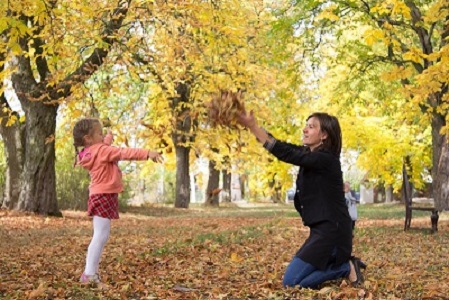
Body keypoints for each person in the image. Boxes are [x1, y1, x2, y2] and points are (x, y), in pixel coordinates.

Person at [237, 110, 366, 289]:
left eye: (311, 127)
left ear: (324, 135)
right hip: (321, 231)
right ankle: (338, 263)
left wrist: (252, 126)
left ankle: (345, 267)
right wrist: (254, 126)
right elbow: (283, 147)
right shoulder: (310, 154)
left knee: (291, 282)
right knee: (296, 280)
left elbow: (286, 154)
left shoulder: (325, 159)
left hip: (332, 233)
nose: (305, 130)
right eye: (306, 125)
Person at [72, 118, 163, 286]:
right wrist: (147, 153)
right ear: (88, 138)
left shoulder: (90, 151)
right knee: (100, 235)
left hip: (99, 194)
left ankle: (90, 273)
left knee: (101, 234)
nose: (102, 135)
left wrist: (107, 138)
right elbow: (122, 153)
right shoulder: (103, 151)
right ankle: (89, 274)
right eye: (99, 133)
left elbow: (103, 147)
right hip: (104, 194)